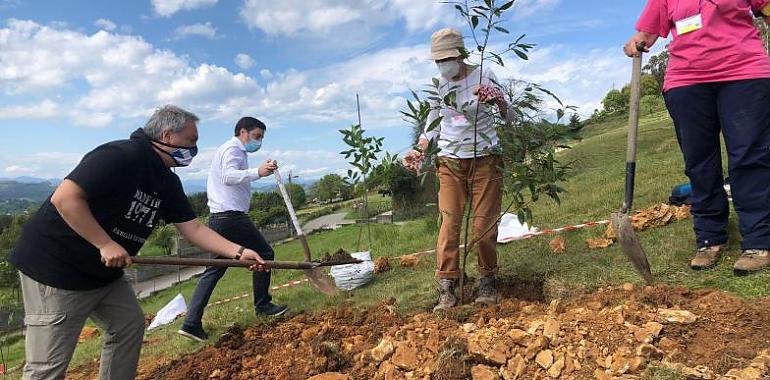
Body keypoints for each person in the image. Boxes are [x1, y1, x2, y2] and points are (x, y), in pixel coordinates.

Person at [9, 105, 268, 380]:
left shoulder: (167, 181)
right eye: (192, 140)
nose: (195, 148)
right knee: (47, 367)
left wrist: (238, 252)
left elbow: (194, 229)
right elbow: (65, 199)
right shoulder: (120, 156)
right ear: (168, 136)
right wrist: (105, 244)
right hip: (57, 269)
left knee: (128, 326)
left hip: (103, 274)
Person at [625, 0, 770, 275]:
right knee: (699, 162)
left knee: (749, 156)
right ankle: (710, 238)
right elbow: (647, 32)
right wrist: (637, 41)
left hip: (744, 73)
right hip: (686, 81)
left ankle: (759, 240)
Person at [410, 28, 509, 312]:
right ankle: (447, 286)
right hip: (450, 162)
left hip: (485, 159)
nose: (442, 66)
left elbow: (509, 113)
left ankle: (488, 279)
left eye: (446, 59)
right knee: (450, 224)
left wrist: (497, 100)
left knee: (482, 225)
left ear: (460, 55)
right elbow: (432, 126)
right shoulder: (438, 86)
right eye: (437, 61)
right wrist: (419, 151)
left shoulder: (484, 75)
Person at [179, 117, 287, 342]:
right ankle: (263, 305)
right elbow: (228, 177)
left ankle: (191, 323)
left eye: (261, 138)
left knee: (215, 268)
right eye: (257, 136)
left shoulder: (235, 151)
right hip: (231, 217)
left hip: (221, 217)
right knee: (265, 254)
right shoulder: (233, 149)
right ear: (243, 132)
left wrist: (258, 171)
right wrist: (257, 172)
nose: (259, 142)